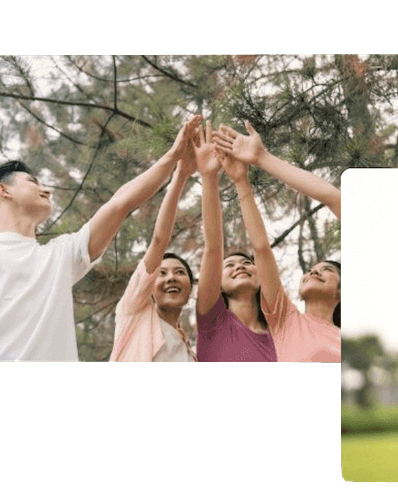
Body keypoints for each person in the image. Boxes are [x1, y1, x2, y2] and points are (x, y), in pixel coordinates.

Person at [0, 115, 201, 361]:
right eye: (32, 182)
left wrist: (174, 156)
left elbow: (120, 203)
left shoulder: (59, 255)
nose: (46, 189)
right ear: (3, 190)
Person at [213, 121, 341, 361]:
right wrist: (241, 181)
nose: (314, 272)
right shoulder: (285, 319)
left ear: (342, 291)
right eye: (311, 270)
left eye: (327, 269)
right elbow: (261, 249)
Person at [192, 121, 278, 362]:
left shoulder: (279, 333)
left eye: (246, 263)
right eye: (228, 265)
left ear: (261, 277)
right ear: (217, 286)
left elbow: (261, 249)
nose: (240, 265)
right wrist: (209, 177)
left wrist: (242, 180)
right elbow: (213, 247)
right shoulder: (212, 321)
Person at [110, 136, 198, 362]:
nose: (171, 278)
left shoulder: (190, 351)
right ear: (148, 287)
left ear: (190, 289)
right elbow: (159, 241)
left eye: (180, 272)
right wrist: (180, 175)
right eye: (162, 272)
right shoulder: (134, 315)